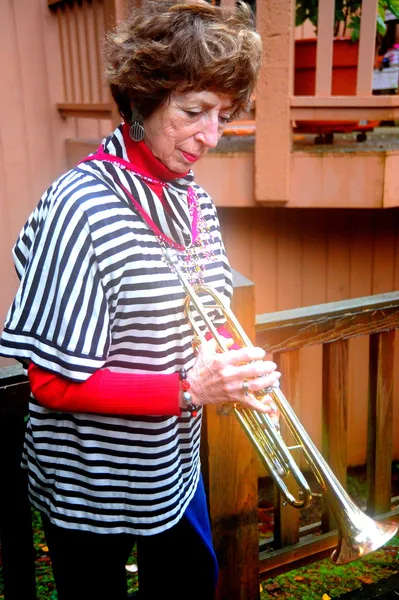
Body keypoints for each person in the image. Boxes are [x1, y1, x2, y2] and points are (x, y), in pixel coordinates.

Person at [0, 2, 280, 599]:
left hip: (172, 473)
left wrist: (234, 362)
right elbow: (49, 382)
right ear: (142, 100)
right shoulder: (81, 210)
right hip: (91, 484)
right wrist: (187, 392)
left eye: (223, 115)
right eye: (194, 111)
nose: (210, 136)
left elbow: (209, 311)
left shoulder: (193, 201)